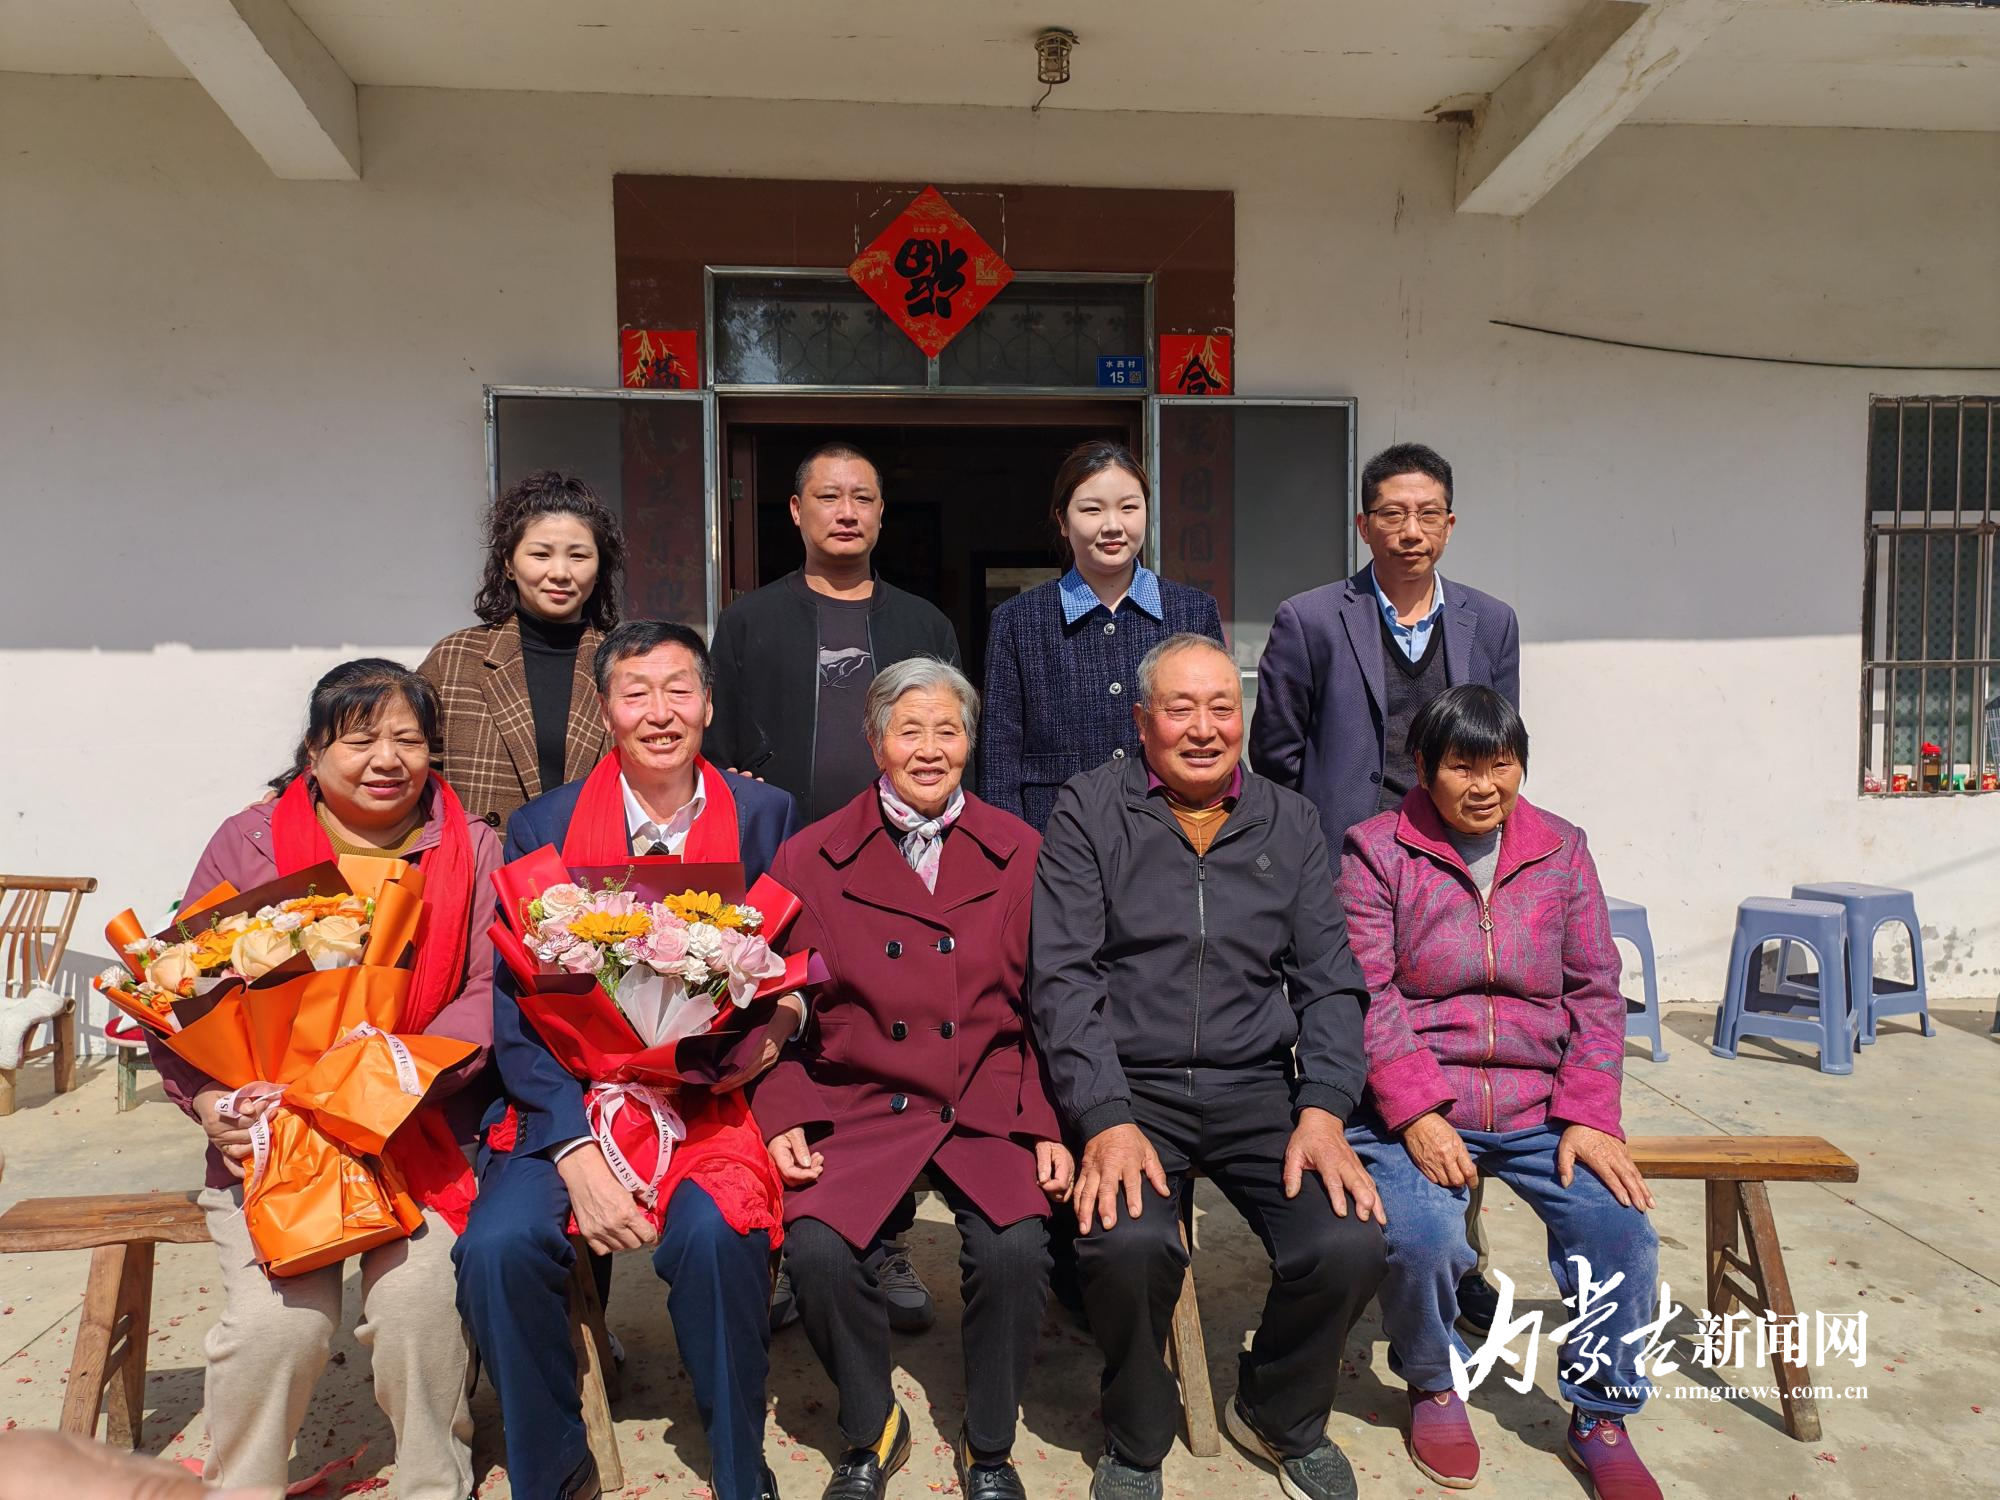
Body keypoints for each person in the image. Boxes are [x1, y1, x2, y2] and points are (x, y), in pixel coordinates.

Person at [1029, 633, 1387, 1500]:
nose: (1203, 728)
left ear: (1244, 718)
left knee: (1349, 1241)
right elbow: (1063, 977)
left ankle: (1277, 1409)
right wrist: (1103, 1116)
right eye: (1180, 709)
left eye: (1222, 708)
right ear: (1141, 720)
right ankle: (1137, 1433)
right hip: (1133, 1086)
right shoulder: (1089, 809)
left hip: (1256, 1084)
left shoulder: (1289, 820)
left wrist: (1324, 1106)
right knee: (1125, 1244)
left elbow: (1331, 981)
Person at [453, 620, 802, 1500]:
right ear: (605, 708)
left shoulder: (764, 814)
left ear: (709, 704)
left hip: (706, 1097)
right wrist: (573, 1150)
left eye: (679, 690)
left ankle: (739, 1466)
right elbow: (516, 1011)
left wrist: (779, 1025)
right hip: (572, 1094)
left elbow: (797, 961)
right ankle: (554, 1467)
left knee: (718, 1235)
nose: (660, 712)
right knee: (499, 1248)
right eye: (636, 693)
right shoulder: (545, 825)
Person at [148, 660, 500, 1500]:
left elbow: (487, 989)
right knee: (279, 1326)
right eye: (361, 738)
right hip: (273, 1141)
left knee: (419, 1305)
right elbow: (178, 986)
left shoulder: (471, 846)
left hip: (411, 1128)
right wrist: (211, 1101)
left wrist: (388, 1076)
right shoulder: (250, 842)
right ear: (313, 748)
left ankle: (433, 1483)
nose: (388, 759)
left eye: (409, 739)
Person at [755, 659, 1072, 1500]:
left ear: (970, 742)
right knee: (817, 1250)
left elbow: (1052, 1000)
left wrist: (1046, 1122)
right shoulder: (809, 855)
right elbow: (771, 1002)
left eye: (949, 731)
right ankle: (871, 1426)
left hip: (984, 1090)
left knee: (1015, 1248)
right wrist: (782, 1110)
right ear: (875, 743)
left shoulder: (1021, 849)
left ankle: (989, 1443)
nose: (930, 750)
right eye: (910, 731)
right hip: (860, 1093)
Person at [1339, 685, 1661, 1499]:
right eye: (1462, 767)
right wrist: (1415, 1111)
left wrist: (1590, 1113)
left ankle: (1601, 1413)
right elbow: (1367, 994)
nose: (1484, 786)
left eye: (1502, 765)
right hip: (1420, 1097)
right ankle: (1434, 1381)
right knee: (1423, 1238)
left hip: (1540, 1103)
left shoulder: (1562, 849)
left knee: (1621, 1232)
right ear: (1422, 769)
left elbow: (1596, 989)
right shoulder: (1377, 851)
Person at [1250, 440, 1520, 1337]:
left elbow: (1499, 741)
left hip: (1451, 867)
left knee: (1454, 1051)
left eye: (1427, 514)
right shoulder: (1310, 618)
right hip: (1343, 868)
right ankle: (1357, 1224)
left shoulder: (1491, 622)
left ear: (1450, 523)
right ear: (1364, 525)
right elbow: (1275, 754)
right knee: (1348, 1029)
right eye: (1393, 515)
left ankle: (1459, 1250)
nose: (1411, 531)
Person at [706, 439, 959, 1330]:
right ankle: (788, 1241)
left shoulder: (923, 622)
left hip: (897, 872)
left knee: (881, 1050)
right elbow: (720, 756)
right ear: (796, 512)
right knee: (784, 1046)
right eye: (828, 497)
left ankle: (884, 1239)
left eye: (862, 498)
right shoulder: (748, 621)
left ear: (882, 515)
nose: (845, 512)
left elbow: (948, 743)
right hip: (784, 871)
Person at [981, 440, 1224, 832]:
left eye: (1129, 507)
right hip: (1054, 837)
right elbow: (999, 759)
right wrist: (1013, 852)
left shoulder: (1193, 611)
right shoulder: (1018, 621)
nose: (1113, 525)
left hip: (1170, 834)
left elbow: (1214, 731)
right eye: (1092, 509)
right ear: (1062, 520)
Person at [418, 470, 625, 828]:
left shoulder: (625, 662)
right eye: (540, 554)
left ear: (599, 568)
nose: (560, 572)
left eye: (578, 556)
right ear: (508, 564)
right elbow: (413, 765)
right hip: (485, 859)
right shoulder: (455, 658)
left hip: (594, 858)